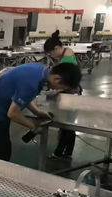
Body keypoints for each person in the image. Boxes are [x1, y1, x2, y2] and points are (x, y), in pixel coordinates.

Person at [0, 62, 82, 161]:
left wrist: (37, 112)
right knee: (2, 149)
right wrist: (33, 127)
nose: (56, 90)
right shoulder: (31, 84)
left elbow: (25, 96)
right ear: (57, 79)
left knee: (2, 146)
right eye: (60, 88)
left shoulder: (40, 70)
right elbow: (12, 113)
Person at [43, 30, 82, 159]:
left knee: (65, 125)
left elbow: (64, 82)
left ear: (56, 48)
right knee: (69, 124)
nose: (52, 56)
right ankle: (68, 152)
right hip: (73, 92)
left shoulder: (66, 60)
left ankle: (59, 152)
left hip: (70, 95)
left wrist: (53, 91)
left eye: (51, 53)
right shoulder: (68, 52)